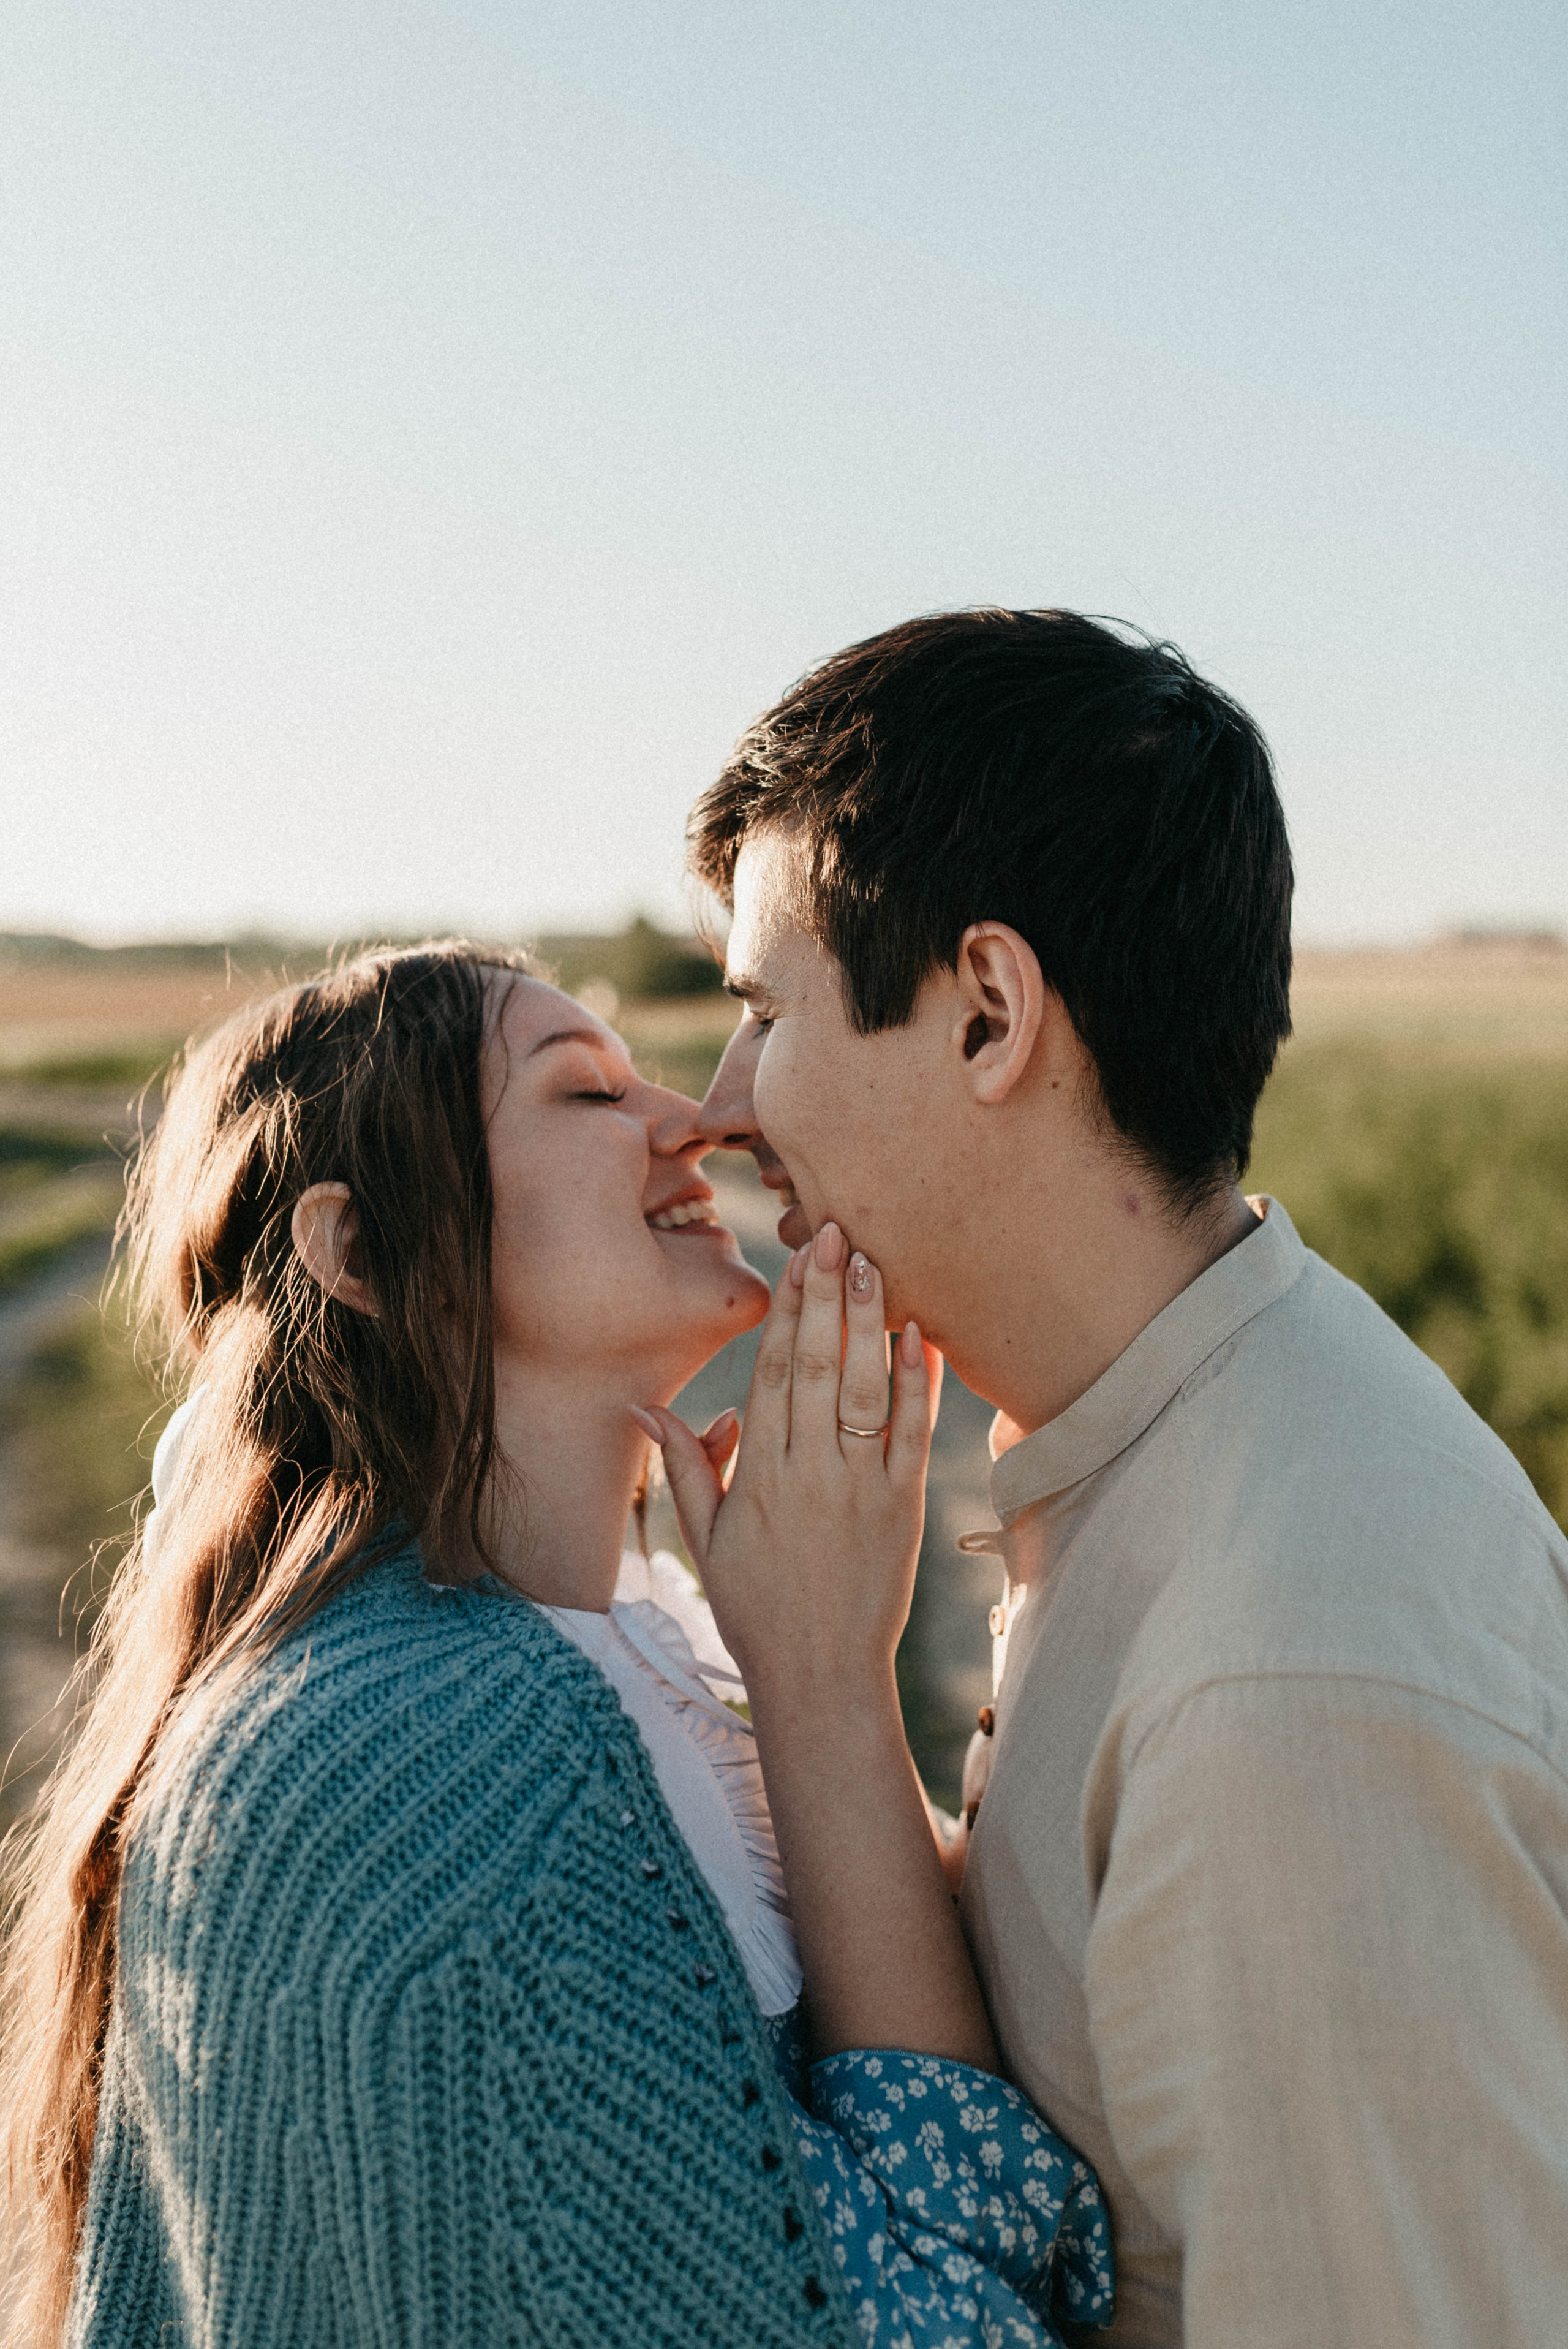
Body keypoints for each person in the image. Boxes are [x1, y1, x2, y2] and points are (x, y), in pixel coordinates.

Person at [0, 942, 1112, 2349]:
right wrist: (826, 1683)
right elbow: (941, 2308)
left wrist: (810, 1671)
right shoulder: (423, 1759)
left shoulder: (645, 1662)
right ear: (362, 1253)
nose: (692, 1120)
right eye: (586, 1095)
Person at [675, 607, 1568, 2347]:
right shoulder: (1167, 1440)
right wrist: (818, 1691)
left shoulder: (1289, 1679)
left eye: (762, 1013)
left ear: (989, 1013)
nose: (719, 1105)